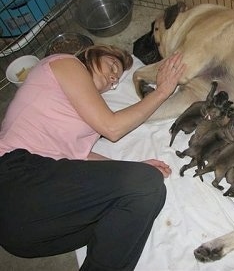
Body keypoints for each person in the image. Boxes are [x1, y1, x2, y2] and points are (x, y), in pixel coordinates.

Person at [0, 44, 186, 270]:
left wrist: (132, 170)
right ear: (92, 53)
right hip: (14, 179)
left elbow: (81, 158)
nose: (113, 78)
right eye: (112, 65)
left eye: (116, 79)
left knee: (144, 199)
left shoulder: (82, 115)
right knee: (146, 184)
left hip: (28, 235)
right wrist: (162, 91)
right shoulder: (65, 63)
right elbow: (112, 127)